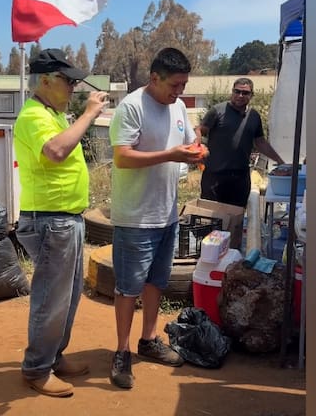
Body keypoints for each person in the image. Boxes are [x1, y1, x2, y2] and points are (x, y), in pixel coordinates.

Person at [13, 48, 109, 397]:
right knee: (51, 299)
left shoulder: (53, 114)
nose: (72, 87)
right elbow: (55, 152)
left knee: (67, 298)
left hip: (66, 219)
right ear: (45, 80)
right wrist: (89, 114)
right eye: (67, 81)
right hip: (50, 221)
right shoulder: (33, 116)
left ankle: (53, 356)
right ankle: (37, 368)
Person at [108, 47, 204, 389]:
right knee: (128, 287)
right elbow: (122, 158)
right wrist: (172, 154)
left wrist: (196, 150)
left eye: (183, 85)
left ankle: (148, 340)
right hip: (135, 216)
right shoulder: (132, 106)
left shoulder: (177, 106)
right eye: (175, 85)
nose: (179, 92)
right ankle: (121, 352)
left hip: (167, 213)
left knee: (156, 283)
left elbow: (191, 140)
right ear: (155, 78)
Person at [196, 77, 285, 207]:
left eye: (245, 93)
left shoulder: (254, 116)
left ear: (252, 95)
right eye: (237, 91)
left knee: (236, 220)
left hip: (240, 179)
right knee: (211, 221)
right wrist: (197, 146)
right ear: (232, 92)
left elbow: (260, 142)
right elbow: (200, 129)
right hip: (214, 177)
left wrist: (279, 161)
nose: (240, 95)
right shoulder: (217, 111)